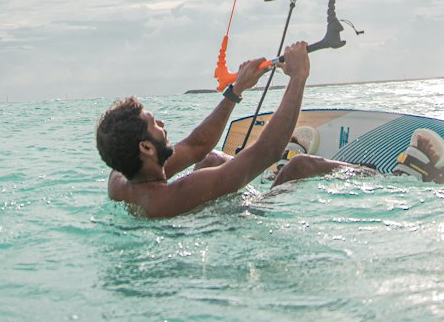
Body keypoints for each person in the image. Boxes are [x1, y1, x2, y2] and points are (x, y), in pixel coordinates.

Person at [96, 42, 353, 219]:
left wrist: (236, 90)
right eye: (154, 124)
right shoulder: (173, 196)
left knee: (212, 158)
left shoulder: (120, 179)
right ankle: (384, 177)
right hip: (237, 222)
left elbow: (196, 145)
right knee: (300, 166)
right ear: (146, 147)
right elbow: (268, 150)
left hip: (211, 211)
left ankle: (257, 177)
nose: (162, 125)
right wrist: (298, 76)